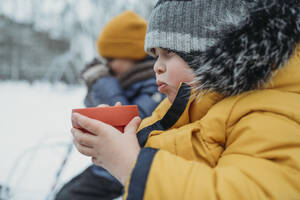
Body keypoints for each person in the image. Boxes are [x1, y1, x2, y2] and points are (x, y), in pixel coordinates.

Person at [71, 1, 300, 199]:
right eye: (155, 55)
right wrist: (121, 140)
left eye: (168, 54)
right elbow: (183, 152)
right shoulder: (191, 106)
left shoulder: (269, 113)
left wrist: (129, 164)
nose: (156, 67)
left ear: (212, 53)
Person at [55, 11, 164, 200]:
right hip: (107, 166)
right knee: (63, 194)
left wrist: (104, 84)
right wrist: (96, 85)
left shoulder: (157, 84)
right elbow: (95, 108)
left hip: (133, 167)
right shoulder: (126, 80)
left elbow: (132, 126)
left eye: (112, 59)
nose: (108, 65)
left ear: (132, 54)